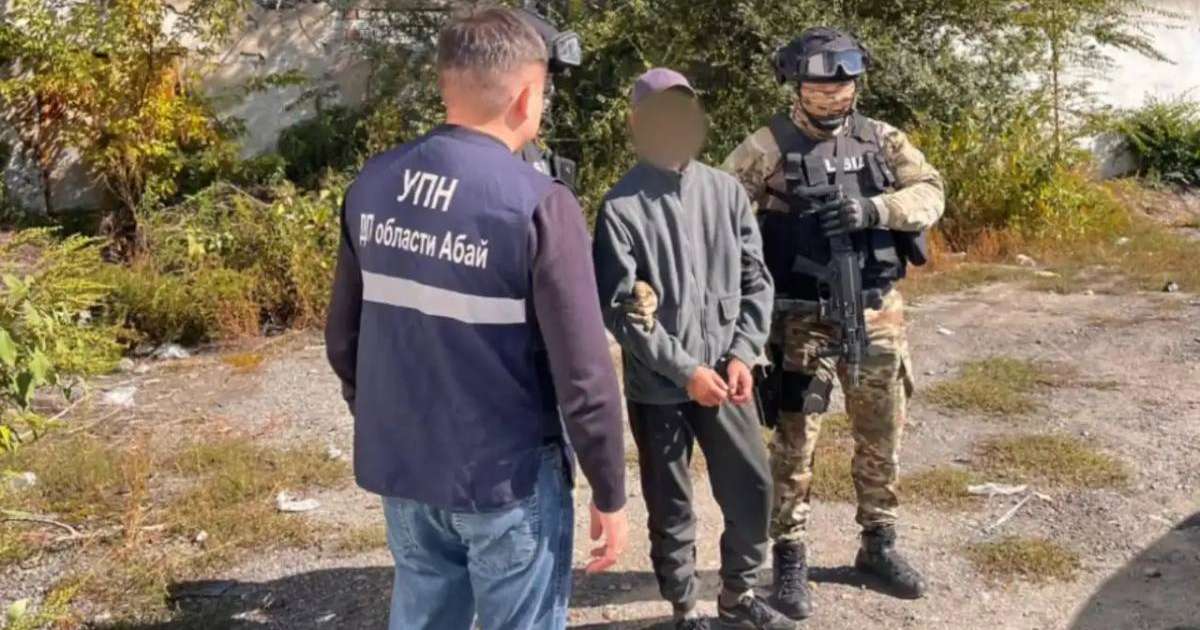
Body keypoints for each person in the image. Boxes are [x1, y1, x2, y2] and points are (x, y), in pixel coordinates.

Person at [324, 7, 629, 630]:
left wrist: (386, 418)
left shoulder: (373, 184)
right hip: (505, 479)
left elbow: (343, 339)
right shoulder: (540, 202)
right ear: (525, 98)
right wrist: (609, 489)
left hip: (406, 466)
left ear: (446, 86)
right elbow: (585, 377)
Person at [722, 27, 945, 620]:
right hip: (799, 319)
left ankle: (879, 543)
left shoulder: (881, 140)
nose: (833, 90)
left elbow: (931, 191)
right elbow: (721, 212)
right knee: (794, 444)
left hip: (875, 310)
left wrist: (876, 209)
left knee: (882, 433)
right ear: (797, 82)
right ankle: (789, 559)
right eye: (820, 80)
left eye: (843, 79)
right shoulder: (766, 145)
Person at [593, 68, 793, 630]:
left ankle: (738, 598)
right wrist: (686, 372)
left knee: (752, 488)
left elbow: (757, 280)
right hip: (660, 388)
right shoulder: (620, 207)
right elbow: (622, 311)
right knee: (672, 506)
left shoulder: (725, 191)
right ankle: (684, 608)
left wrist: (743, 351)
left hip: (728, 379)